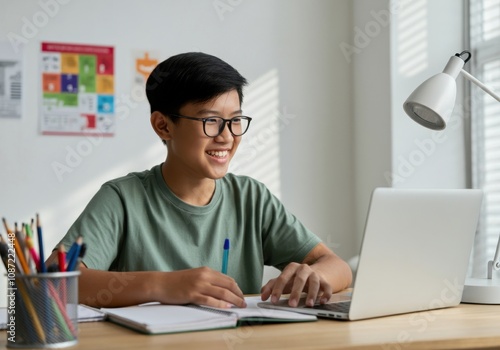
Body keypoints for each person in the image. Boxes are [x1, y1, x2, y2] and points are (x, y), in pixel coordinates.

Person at [46, 52, 352, 309]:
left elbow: (336, 266)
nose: (227, 136)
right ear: (163, 126)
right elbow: (55, 281)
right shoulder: (122, 198)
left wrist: (316, 276)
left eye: (235, 121)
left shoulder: (251, 197)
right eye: (210, 121)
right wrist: (163, 284)